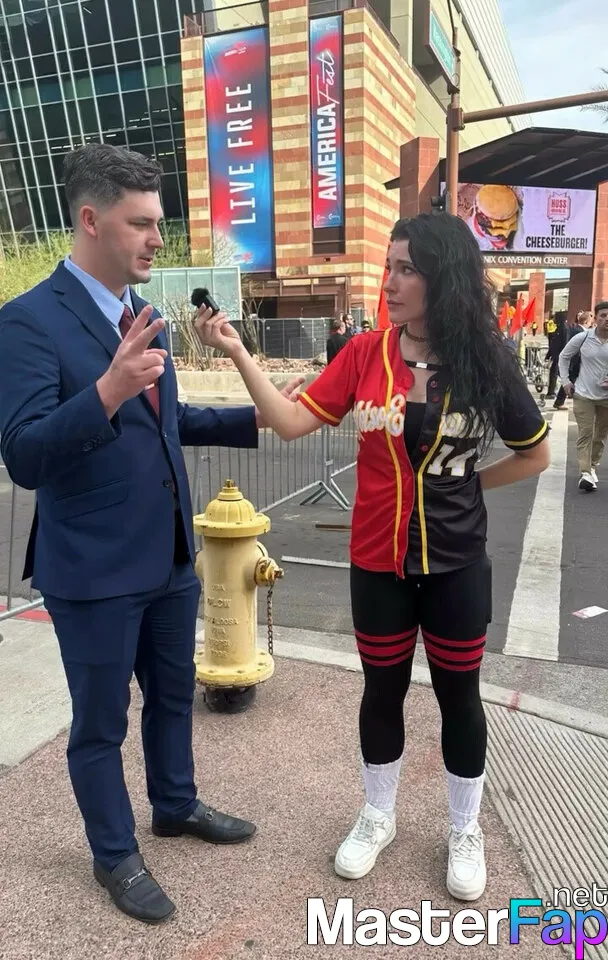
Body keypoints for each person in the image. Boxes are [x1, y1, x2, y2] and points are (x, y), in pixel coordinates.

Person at [195, 212, 550, 902]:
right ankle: (378, 814)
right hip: (377, 562)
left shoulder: (486, 362)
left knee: (458, 697)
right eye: (389, 266)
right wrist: (238, 351)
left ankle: (464, 828)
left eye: (407, 269)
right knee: (381, 691)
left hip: (456, 564)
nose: (389, 282)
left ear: (444, 278)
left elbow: (533, 452)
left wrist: (470, 484)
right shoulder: (364, 355)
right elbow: (290, 422)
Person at [0, 143, 302, 926]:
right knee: (101, 723)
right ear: (91, 220)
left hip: (168, 557)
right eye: (140, 223)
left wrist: (266, 414)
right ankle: (115, 854)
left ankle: (175, 804)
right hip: (92, 568)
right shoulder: (27, 321)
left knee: (172, 697)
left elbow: (166, 420)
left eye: (157, 223)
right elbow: (24, 454)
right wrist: (105, 390)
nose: (156, 239)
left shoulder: (141, 317)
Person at [559, 301, 608, 492]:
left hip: (606, 398)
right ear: (595, 318)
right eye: (603, 315)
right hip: (583, 394)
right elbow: (564, 357)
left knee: (600, 435)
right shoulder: (583, 337)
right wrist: (565, 381)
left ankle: (592, 466)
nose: (607, 319)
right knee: (585, 433)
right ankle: (585, 473)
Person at [553, 311, 594, 410]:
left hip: (576, 360)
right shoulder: (580, 332)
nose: (591, 324)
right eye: (590, 321)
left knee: (573, 380)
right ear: (586, 322)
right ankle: (560, 401)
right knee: (572, 379)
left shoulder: (576, 329)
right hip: (575, 361)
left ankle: (561, 401)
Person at [545, 311, 568, 399]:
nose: (553, 319)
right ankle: (552, 392)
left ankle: (552, 393)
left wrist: (562, 356)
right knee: (554, 374)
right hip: (555, 356)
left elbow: (565, 343)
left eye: (555, 317)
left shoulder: (564, 329)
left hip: (560, 356)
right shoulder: (557, 328)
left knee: (555, 374)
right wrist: (548, 355)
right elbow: (553, 344)